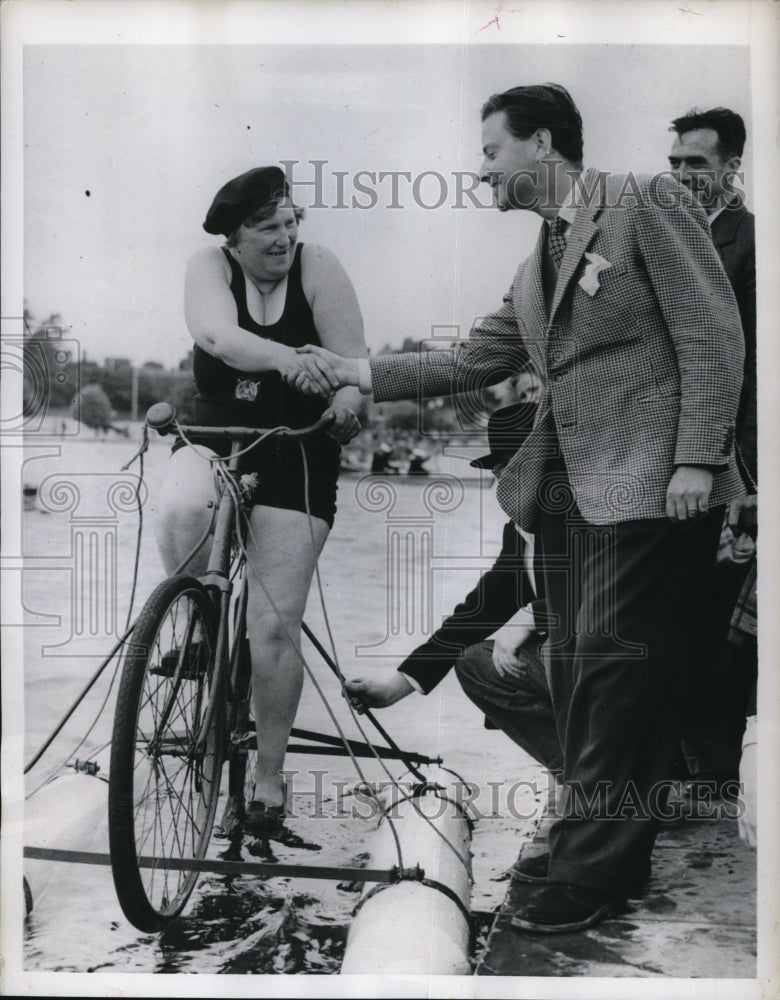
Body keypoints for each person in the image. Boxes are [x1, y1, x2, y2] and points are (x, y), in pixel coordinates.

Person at [295, 84, 745, 931]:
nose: (482, 170)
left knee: (614, 673)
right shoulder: (533, 265)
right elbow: (469, 360)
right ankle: (597, 842)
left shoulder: (643, 199)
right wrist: (350, 369)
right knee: (578, 668)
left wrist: (698, 458)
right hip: (575, 491)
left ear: (541, 144)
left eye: (492, 152)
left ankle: (590, 874)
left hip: (653, 481)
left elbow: (714, 333)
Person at [152, 165, 367, 836]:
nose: (284, 236)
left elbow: (353, 364)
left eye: (290, 222)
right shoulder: (207, 267)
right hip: (216, 434)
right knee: (182, 505)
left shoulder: (319, 266)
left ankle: (268, 778)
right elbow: (219, 337)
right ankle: (199, 626)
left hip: (297, 448)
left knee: (274, 626)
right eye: (266, 226)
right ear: (234, 236)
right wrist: (286, 360)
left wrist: (348, 398)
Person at [346, 399, 563, 780]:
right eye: (498, 470)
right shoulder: (520, 531)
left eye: (506, 468)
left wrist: (528, 618)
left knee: (500, 657)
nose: (499, 479)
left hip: (620, 660)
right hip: (580, 661)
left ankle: (606, 771)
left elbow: (604, 591)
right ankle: (577, 770)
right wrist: (394, 688)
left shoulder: (578, 511)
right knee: (476, 661)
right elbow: (475, 613)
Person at [668, 109, 758, 797]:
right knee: (685, 610)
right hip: (672, 457)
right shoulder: (669, 234)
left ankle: (717, 771)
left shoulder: (751, 242)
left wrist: (749, 476)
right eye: (674, 163)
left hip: (728, 458)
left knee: (720, 616)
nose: (680, 175)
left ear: (732, 167)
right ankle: (686, 764)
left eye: (695, 164)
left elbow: (752, 367)